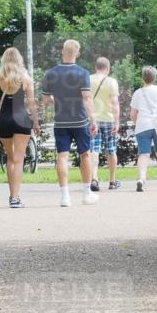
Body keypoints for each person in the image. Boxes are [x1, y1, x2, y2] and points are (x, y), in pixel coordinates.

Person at [41, 39, 98, 207]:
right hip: (80, 121)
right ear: (78, 54)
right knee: (85, 154)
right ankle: (87, 194)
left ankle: (65, 196)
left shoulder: (51, 73)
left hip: (60, 122)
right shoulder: (83, 73)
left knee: (62, 156)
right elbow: (87, 98)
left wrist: (57, 100)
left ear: (62, 52)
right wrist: (93, 119)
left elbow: (45, 99)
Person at [0, 48, 40, 208]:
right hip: (21, 119)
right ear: (19, 60)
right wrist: (36, 122)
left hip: (4, 119)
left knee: (10, 158)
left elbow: (0, 99)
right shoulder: (26, 78)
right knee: (19, 160)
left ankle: (11, 196)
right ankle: (15, 198)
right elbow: (32, 104)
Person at [88, 57, 121, 191]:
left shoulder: (88, 80)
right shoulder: (111, 82)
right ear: (107, 68)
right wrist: (117, 121)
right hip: (108, 119)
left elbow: (86, 100)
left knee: (93, 150)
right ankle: (112, 181)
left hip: (93, 120)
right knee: (111, 150)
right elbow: (114, 103)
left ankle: (94, 179)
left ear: (96, 68)